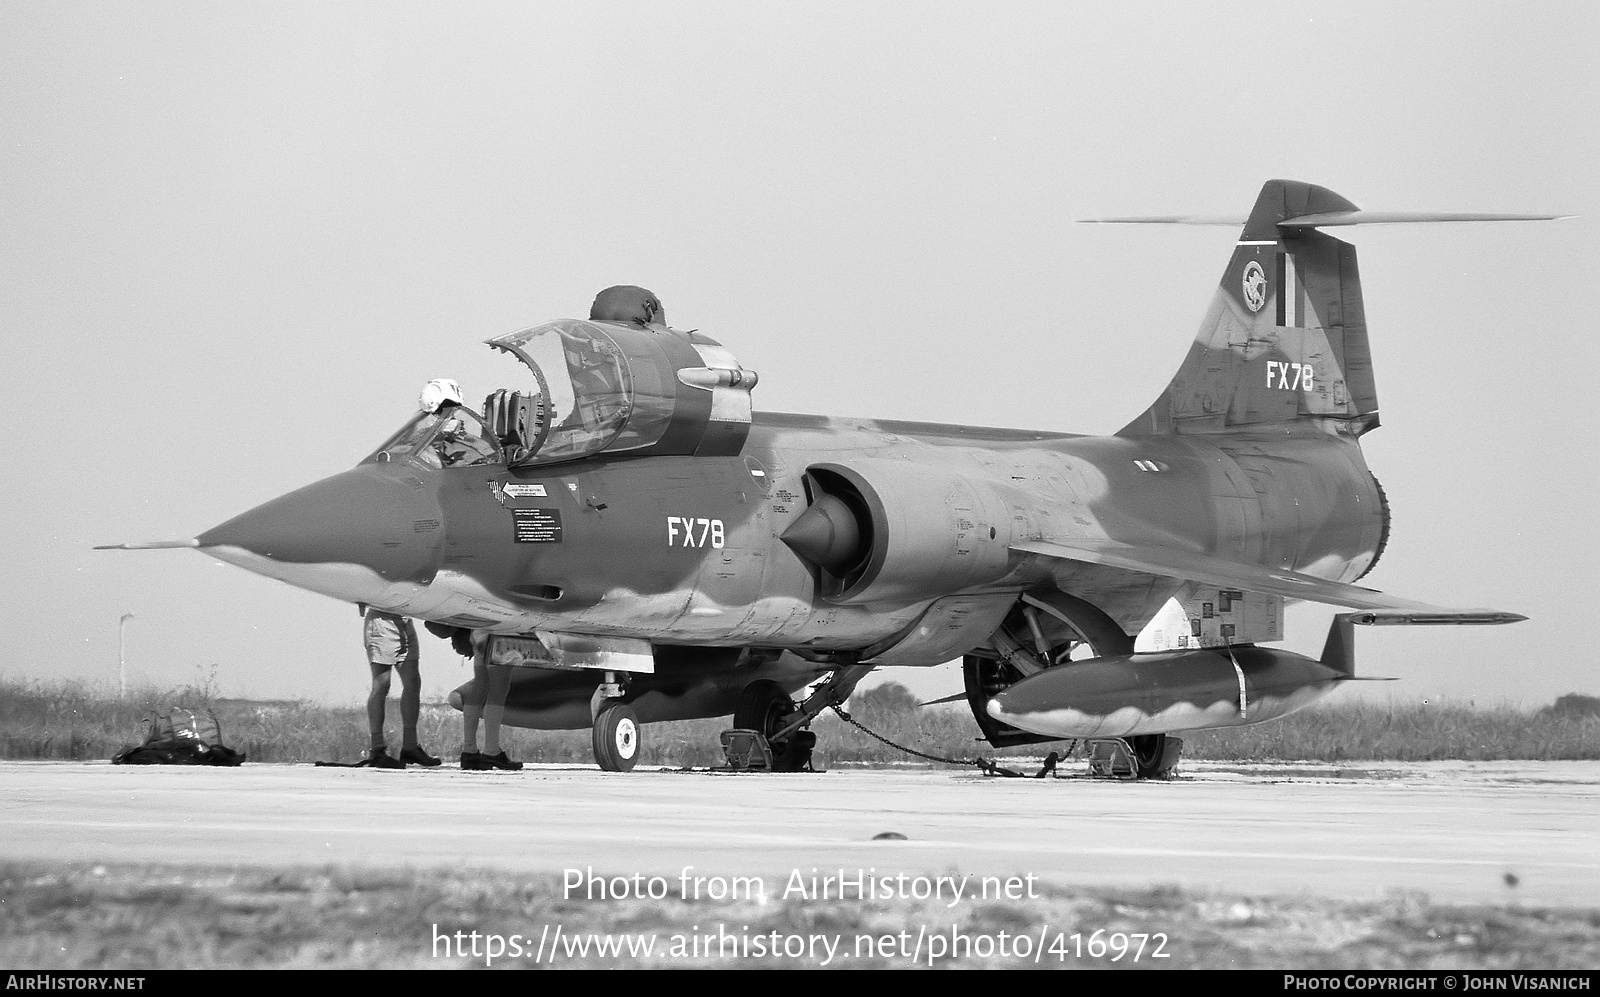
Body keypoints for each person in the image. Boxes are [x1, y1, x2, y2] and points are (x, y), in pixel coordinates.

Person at [360, 605, 440, 768]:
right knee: (382, 684)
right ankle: (377, 749)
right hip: (382, 621)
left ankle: (410, 747)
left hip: (405, 621)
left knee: (413, 682)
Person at [459, 629, 522, 771]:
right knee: (499, 688)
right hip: (502, 631)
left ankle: (469, 751)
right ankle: (491, 751)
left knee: (480, 685)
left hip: (479, 632)